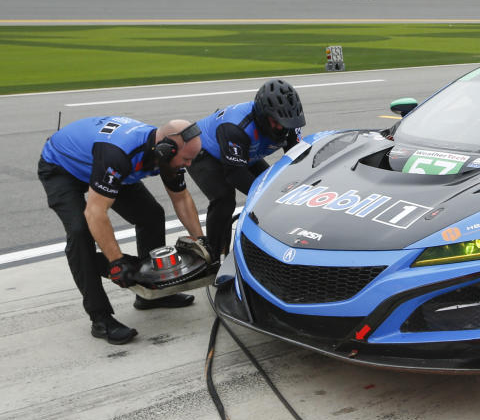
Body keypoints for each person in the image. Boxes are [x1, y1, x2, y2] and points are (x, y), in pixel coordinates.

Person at [38, 117, 208, 345]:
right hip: (62, 167)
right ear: (166, 150)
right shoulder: (120, 155)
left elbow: (181, 199)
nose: (188, 165)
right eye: (186, 159)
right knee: (81, 233)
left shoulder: (166, 154)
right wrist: (117, 262)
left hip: (99, 163)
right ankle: (100, 318)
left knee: (151, 214)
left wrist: (201, 241)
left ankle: (150, 294)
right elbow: (95, 213)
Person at [188, 79, 305, 258]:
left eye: (286, 122)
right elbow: (234, 173)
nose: (281, 128)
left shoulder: (289, 123)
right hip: (204, 152)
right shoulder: (235, 126)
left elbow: (296, 159)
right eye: (276, 122)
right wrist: (266, 196)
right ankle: (214, 254)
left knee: (275, 189)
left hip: (247, 152)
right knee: (224, 199)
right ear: (261, 114)